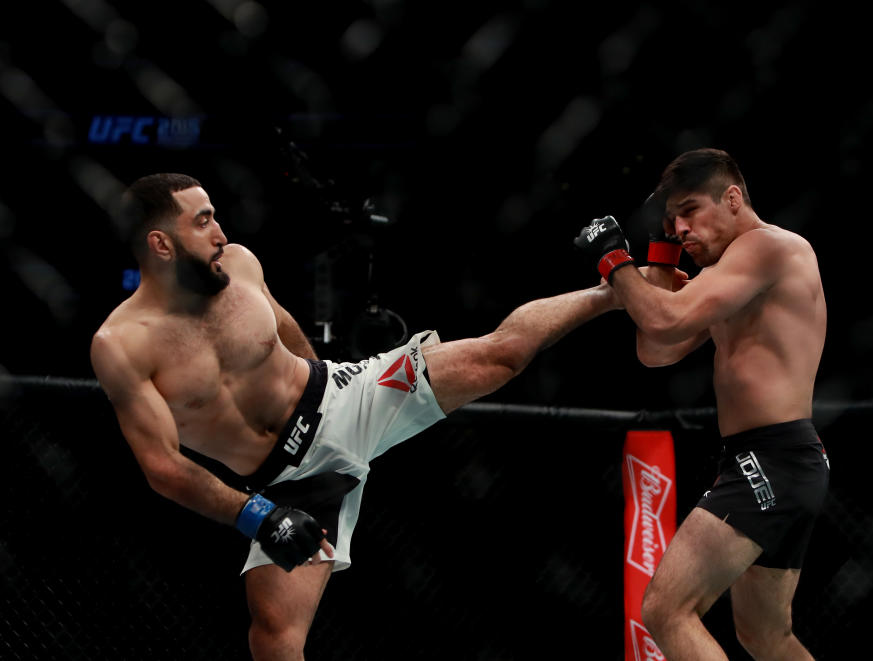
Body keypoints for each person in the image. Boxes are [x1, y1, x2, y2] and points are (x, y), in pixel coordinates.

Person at [90, 173, 620, 661]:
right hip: (288, 482)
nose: (221, 233)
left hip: (347, 398)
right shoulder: (123, 345)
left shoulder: (242, 265)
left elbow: (284, 326)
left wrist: (331, 378)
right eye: (202, 221)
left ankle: (611, 291)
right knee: (274, 640)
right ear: (160, 244)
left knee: (496, 356)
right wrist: (259, 515)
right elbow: (161, 466)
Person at [575, 148, 829, 660]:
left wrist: (613, 257)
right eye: (671, 222)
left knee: (666, 609)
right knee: (765, 636)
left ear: (732, 198)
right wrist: (660, 255)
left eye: (689, 211)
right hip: (776, 462)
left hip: (772, 461)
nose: (681, 229)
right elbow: (656, 349)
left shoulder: (768, 248)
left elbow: (663, 320)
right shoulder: (731, 274)